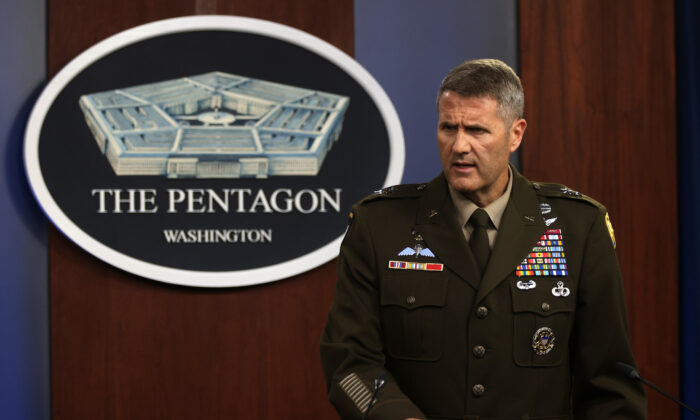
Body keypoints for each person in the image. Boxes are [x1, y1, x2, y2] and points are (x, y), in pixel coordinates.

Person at [319, 58, 647, 420]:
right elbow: (350, 363)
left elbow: (610, 386)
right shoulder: (378, 225)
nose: (459, 145)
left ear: (516, 133)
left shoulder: (578, 228)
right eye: (448, 128)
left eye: (476, 130)